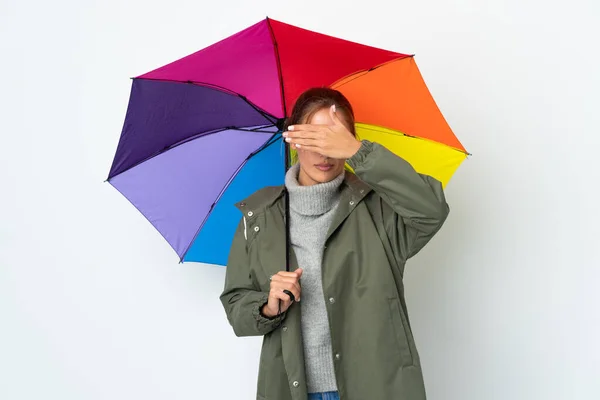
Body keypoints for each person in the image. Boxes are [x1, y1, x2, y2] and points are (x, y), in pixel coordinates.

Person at [220, 87, 449, 400]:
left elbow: (431, 211)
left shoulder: (380, 209)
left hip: (376, 386)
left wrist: (360, 152)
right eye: (313, 137)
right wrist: (267, 305)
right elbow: (236, 306)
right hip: (291, 389)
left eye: (334, 138)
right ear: (294, 139)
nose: (324, 152)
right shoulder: (259, 215)